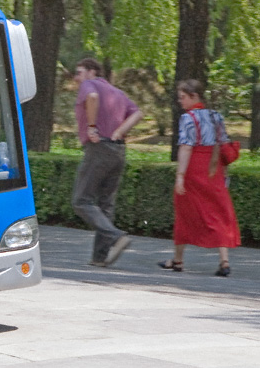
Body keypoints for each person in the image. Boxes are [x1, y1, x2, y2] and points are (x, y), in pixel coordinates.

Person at [158, 79, 240, 277]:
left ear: (194, 96)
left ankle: (178, 260)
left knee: (185, 213)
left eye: (183, 97)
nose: (180, 101)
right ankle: (224, 261)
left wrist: (180, 176)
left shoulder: (188, 118)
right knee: (217, 213)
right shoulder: (216, 116)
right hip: (214, 169)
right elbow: (223, 144)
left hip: (194, 170)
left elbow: (186, 147)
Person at [72, 57, 143, 267]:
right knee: (105, 204)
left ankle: (116, 236)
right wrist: (121, 131)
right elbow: (138, 113)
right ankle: (99, 257)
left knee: (81, 200)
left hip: (99, 148)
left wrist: (92, 126)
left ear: (92, 72)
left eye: (80, 72)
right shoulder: (118, 93)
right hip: (118, 149)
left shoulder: (90, 85)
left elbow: (92, 96)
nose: (77, 78)